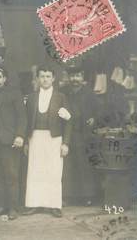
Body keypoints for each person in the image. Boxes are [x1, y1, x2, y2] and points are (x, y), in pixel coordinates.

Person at [23, 66, 72, 218]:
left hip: (54, 138)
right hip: (35, 137)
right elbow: (25, 121)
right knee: (34, 170)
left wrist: (66, 143)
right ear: (38, 78)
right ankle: (33, 204)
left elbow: (69, 121)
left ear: (53, 78)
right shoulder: (31, 97)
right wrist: (26, 141)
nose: (45, 79)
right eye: (42, 76)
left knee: (54, 171)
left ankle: (54, 205)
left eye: (48, 76)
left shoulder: (61, 97)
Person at [0, 66, 27, 220]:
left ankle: (13, 208)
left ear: (4, 79)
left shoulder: (14, 94)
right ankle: (1, 206)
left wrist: (20, 135)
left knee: (11, 175)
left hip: (10, 141)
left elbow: (22, 117)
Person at [61, 68, 99, 206]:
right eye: (72, 76)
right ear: (68, 77)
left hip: (84, 134)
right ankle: (69, 195)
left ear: (82, 76)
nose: (75, 79)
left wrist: (94, 118)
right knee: (68, 166)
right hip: (67, 133)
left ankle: (87, 196)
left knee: (84, 165)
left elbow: (98, 110)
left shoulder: (89, 93)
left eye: (77, 75)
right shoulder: (64, 92)